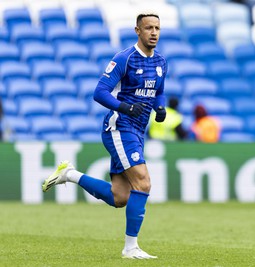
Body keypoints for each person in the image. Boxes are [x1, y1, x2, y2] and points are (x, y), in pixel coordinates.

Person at [42, 13, 167, 260]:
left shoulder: (161, 61)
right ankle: (131, 249)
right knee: (143, 182)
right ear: (137, 31)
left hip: (137, 131)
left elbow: (159, 90)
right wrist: (125, 107)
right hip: (120, 126)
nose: (153, 32)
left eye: (157, 28)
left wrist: (160, 107)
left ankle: (69, 174)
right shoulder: (125, 58)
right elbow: (99, 92)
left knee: (120, 197)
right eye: (148, 28)